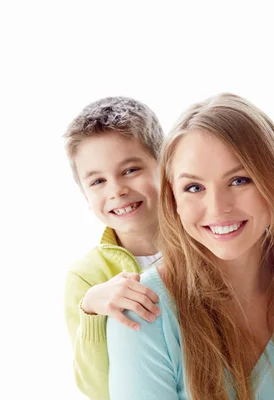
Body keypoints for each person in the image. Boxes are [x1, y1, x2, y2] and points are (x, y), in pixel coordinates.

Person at [106, 93, 274, 400]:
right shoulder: (143, 311)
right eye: (194, 187)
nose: (218, 208)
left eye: (240, 180)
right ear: (172, 199)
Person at [63, 96, 164, 400]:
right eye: (97, 181)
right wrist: (91, 310)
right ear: (84, 194)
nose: (116, 190)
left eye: (130, 170)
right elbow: (98, 389)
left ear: (165, 164)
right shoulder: (85, 278)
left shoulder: (208, 239)